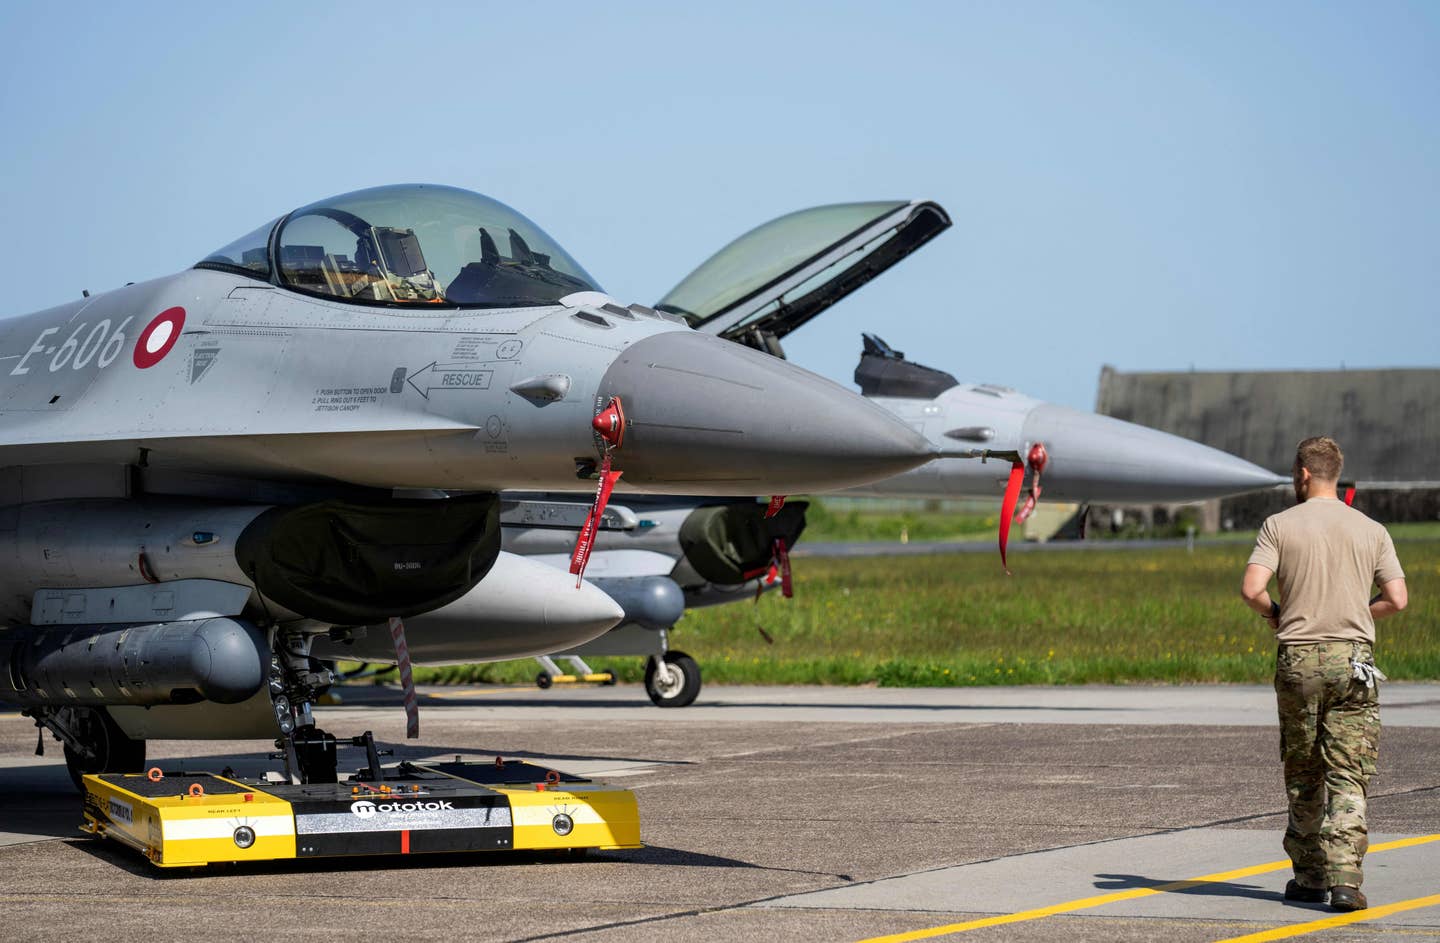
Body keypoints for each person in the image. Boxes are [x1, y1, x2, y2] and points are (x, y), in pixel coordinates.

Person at [1241, 436, 1407, 912]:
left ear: (1303, 474)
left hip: (1297, 656)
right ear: (1335, 473)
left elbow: (1252, 588)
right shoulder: (1371, 529)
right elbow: (1398, 598)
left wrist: (1276, 612)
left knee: (1304, 768)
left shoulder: (1278, 525)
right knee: (1347, 771)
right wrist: (1357, 612)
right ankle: (1346, 881)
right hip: (1352, 659)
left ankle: (1310, 874)